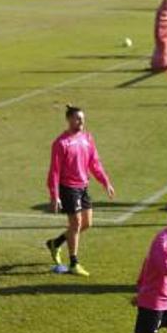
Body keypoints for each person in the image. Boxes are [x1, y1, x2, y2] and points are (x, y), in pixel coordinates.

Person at [45, 106, 116, 276]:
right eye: (77, 118)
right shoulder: (61, 143)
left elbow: (94, 163)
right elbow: (54, 171)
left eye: (82, 118)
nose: (81, 121)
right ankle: (73, 263)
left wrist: (105, 182)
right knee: (76, 224)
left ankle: (56, 243)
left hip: (83, 186)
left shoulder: (87, 138)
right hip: (68, 187)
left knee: (86, 224)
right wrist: (55, 196)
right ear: (69, 120)